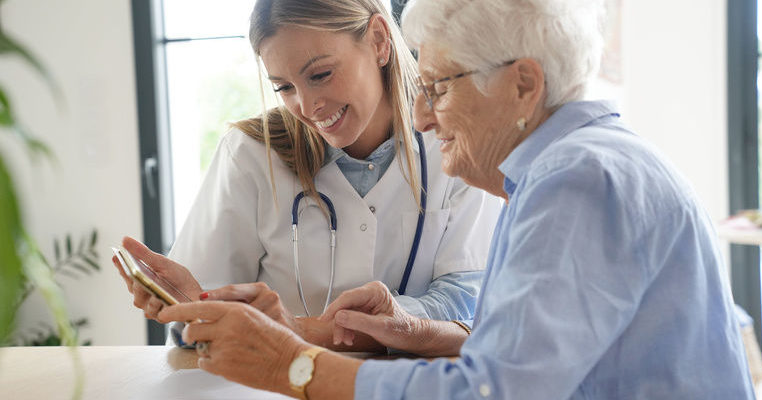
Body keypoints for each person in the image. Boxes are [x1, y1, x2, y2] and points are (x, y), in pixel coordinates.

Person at [152, 0, 761, 400]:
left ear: (523, 84)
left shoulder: (578, 183)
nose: (418, 115)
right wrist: (423, 333)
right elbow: (529, 358)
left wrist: (295, 366)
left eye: (440, 87)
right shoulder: (570, 169)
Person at [116, 0, 500, 346]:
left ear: (380, 40)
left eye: (320, 75)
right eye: (284, 87)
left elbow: (467, 302)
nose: (307, 105)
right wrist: (185, 306)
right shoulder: (249, 155)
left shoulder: (452, 142)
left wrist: (303, 331)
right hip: (279, 394)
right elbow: (202, 320)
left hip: (410, 393)